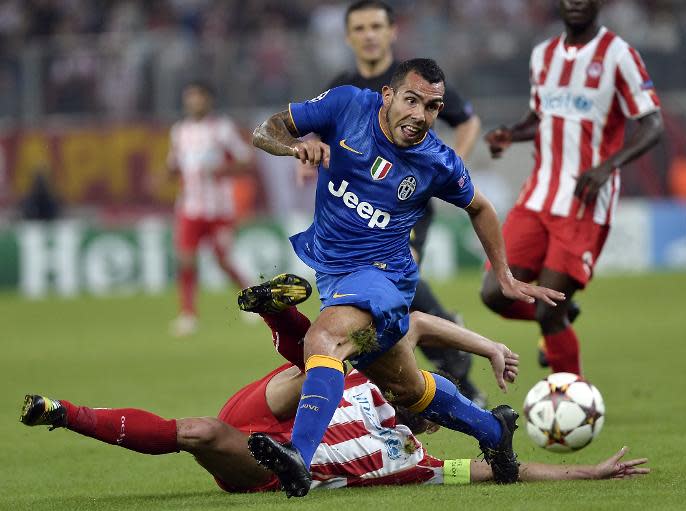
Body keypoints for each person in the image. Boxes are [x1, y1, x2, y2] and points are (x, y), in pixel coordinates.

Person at [247, 58, 565, 497]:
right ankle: (494, 431)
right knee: (406, 386)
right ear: (388, 96)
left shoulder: (438, 161)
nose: (420, 116)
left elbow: (482, 208)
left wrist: (505, 275)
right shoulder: (346, 107)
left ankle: (299, 456)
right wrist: (293, 147)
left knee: (323, 340)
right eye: (412, 100)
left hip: (384, 279)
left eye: (432, 107)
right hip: (336, 275)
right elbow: (267, 128)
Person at [20, 300, 649, 491]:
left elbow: (500, 470)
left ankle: (61, 413)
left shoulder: (418, 464)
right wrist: (487, 345)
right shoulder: (367, 380)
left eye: (425, 410)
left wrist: (588, 472)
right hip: (275, 408)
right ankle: (278, 313)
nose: (414, 403)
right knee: (324, 362)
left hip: (265, 463)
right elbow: (420, 326)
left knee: (200, 434)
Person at [314, 0, 486, 405]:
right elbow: (320, 132)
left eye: (376, 26)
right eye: (360, 28)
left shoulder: (415, 79)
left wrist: (453, 166)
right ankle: (446, 342)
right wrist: (314, 153)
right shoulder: (344, 83)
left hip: (406, 208)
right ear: (348, 36)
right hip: (358, 211)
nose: (369, 35)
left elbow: (468, 119)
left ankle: (445, 367)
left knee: (390, 277)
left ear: (392, 31)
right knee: (390, 294)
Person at [481, 0, 664, 375]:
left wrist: (607, 166)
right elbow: (541, 117)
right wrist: (511, 134)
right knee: (495, 293)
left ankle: (570, 399)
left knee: (550, 313)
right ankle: (563, 316)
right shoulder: (543, 55)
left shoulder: (619, 55)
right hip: (536, 197)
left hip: (583, 201)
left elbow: (653, 123)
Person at [166, 81, 254, 337]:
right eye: (189, 97)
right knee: (185, 259)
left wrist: (222, 170)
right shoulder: (179, 131)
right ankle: (188, 314)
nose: (193, 102)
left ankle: (251, 300)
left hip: (219, 208)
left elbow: (246, 159)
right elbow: (174, 164)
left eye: (197, 97)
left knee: (222, 259)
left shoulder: (222, 128)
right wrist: (165, 174)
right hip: (190, 207)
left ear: (208, 100)